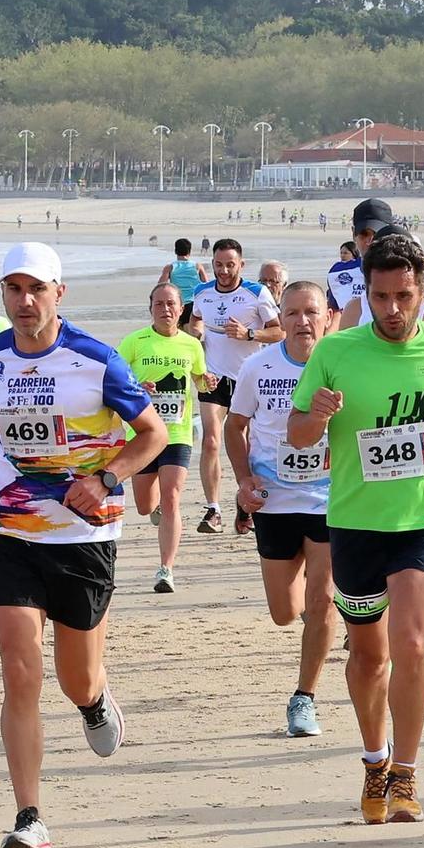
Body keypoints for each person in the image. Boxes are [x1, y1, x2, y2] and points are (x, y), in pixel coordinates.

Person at [0, 243, 167, 848]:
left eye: (36, 288)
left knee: (75, 678)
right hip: (10, 530)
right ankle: (29, 818)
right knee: (18, 669)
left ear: (58, 293)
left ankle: (94, 700)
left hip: (84, 535)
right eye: (14, 289)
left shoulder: (96, 360)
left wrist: (108, 479)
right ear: (2, 295)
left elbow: (154, 435)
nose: (24, 300)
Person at [289, 233, 424, 822]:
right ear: (365, 293)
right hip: (355, 522)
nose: (393, 309)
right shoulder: (335, 351)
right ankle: (374, 761)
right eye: (381, 297)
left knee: (412, 642)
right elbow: (296, 434)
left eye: (404, 295)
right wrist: (315, 416)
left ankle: (405, 774)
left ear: (423, 290)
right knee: (370, 656)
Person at [228, 282, 335, 738]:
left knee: (323, 599)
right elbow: (236, 428)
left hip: (331, 500)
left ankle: (304, 697)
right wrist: (243, 481)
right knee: (284, 612)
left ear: (326, 316)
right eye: (292, 313)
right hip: (274, 501)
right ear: (281, 319)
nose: (302, 321)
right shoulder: (258, 366)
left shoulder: (342, 364)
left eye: (310, 312)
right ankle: (316, 619)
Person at [118, 282, 209, 592]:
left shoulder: (192, 344)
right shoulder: (134, 342)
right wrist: (136, 389)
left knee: (172, 497)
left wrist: (206, 381)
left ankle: (165, 569)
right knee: (145, 506)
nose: (166, 309)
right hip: (142, 434)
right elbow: (116, 381)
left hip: (177, 432)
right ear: (151, 308)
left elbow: (200, 379)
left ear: (181, 309)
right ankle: (154, 509)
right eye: (159, 304)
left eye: (171, 304)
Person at [189, 238, 282, 535]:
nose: (224, 270)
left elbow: (279, 332)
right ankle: (213, 509)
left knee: (253, 447)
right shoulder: (201, 292)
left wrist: (248, 333)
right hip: (214, 377)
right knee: (211, 440)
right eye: (219, 265)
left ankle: (248, 503)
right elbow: (195, 322)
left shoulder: (256, 293)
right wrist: (197, 333)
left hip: (250, 378)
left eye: (230, 265)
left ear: (241, 265)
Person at [159, 237, 209, 304]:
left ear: (175, 251)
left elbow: (161, 285)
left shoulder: (170, 267)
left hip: (177, 303)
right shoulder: (197, 266)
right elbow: (206, 284)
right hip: (194, 302)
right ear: (189, 251)